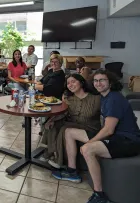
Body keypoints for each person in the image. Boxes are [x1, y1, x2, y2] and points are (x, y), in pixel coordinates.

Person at [52, 69, 140, 203]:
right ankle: (72, 171)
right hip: (114, 136)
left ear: (110, 82)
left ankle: (99, 195)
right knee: (69, 131)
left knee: (88, 149)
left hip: (127, 141)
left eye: (102, 80)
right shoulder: (104, 97)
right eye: (96, 80)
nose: (98, 83)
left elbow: (108, 130)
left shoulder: (114, 99)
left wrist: (90, 143)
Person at [40, 74, 101, 168]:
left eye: (73, 81)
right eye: (68, 83)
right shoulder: (68, 98)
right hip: (75, 124)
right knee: (53, 124)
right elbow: (63, 113)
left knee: (64, 128)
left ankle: (58, 160)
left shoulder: (96, 98)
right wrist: (52, 120)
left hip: (90, 127)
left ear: (81, 82)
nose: (70, 85)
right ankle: (50, 151)